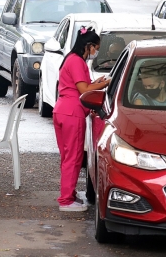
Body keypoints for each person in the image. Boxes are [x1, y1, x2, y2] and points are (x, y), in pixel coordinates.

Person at [53, 26, 110, 212]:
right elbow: (84, 91)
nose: (96, 52)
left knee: (67, 157)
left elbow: (81, 86)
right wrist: (104, 83)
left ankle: (68, 193)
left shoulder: (70, 59)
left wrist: (96, 83)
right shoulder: (77, 61)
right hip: (72, 113)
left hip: (62, 110)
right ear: (89, 45)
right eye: (96, 48)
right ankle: (66, 200)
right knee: (74, 157)